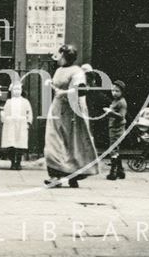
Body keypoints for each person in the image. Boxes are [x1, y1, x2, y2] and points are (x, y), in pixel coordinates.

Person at [43, 44, 100, 188]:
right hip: (57, 108)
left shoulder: (77, 71)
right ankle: (55, 175)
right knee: (53, 140)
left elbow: (82, 90)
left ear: (65, 55)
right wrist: (52, 84)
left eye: (59, 55)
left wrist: (65, 93)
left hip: (71, 110)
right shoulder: (59, 70)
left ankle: (73, 174)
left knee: (72, 142)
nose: (57, 57)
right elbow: (58, 86)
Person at [0, 82, 33, 170]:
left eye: (19, 89)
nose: (17, 91)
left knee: (20, 143)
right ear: (11, 91)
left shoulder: (25, 102)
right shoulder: (9, 102)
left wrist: (28, 122)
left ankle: (18, 162)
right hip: (10, 124)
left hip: (21, 124)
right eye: (15, 89)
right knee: (11, 143)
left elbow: (29, 112)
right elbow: (5, 112)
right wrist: (4, 119)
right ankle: (12, 162)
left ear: (22, 90)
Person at [103, 80, 127, 180]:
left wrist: (110, 112)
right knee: (115, 149)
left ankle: (113, 172)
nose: (114, 93)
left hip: (117, 128)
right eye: (113, 90)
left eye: (117, 91)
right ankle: (120, 171)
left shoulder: (122, 102)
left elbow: (121, 116)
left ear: (122, 92)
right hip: (113, 127)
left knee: (113, 149)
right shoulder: (115, 101)